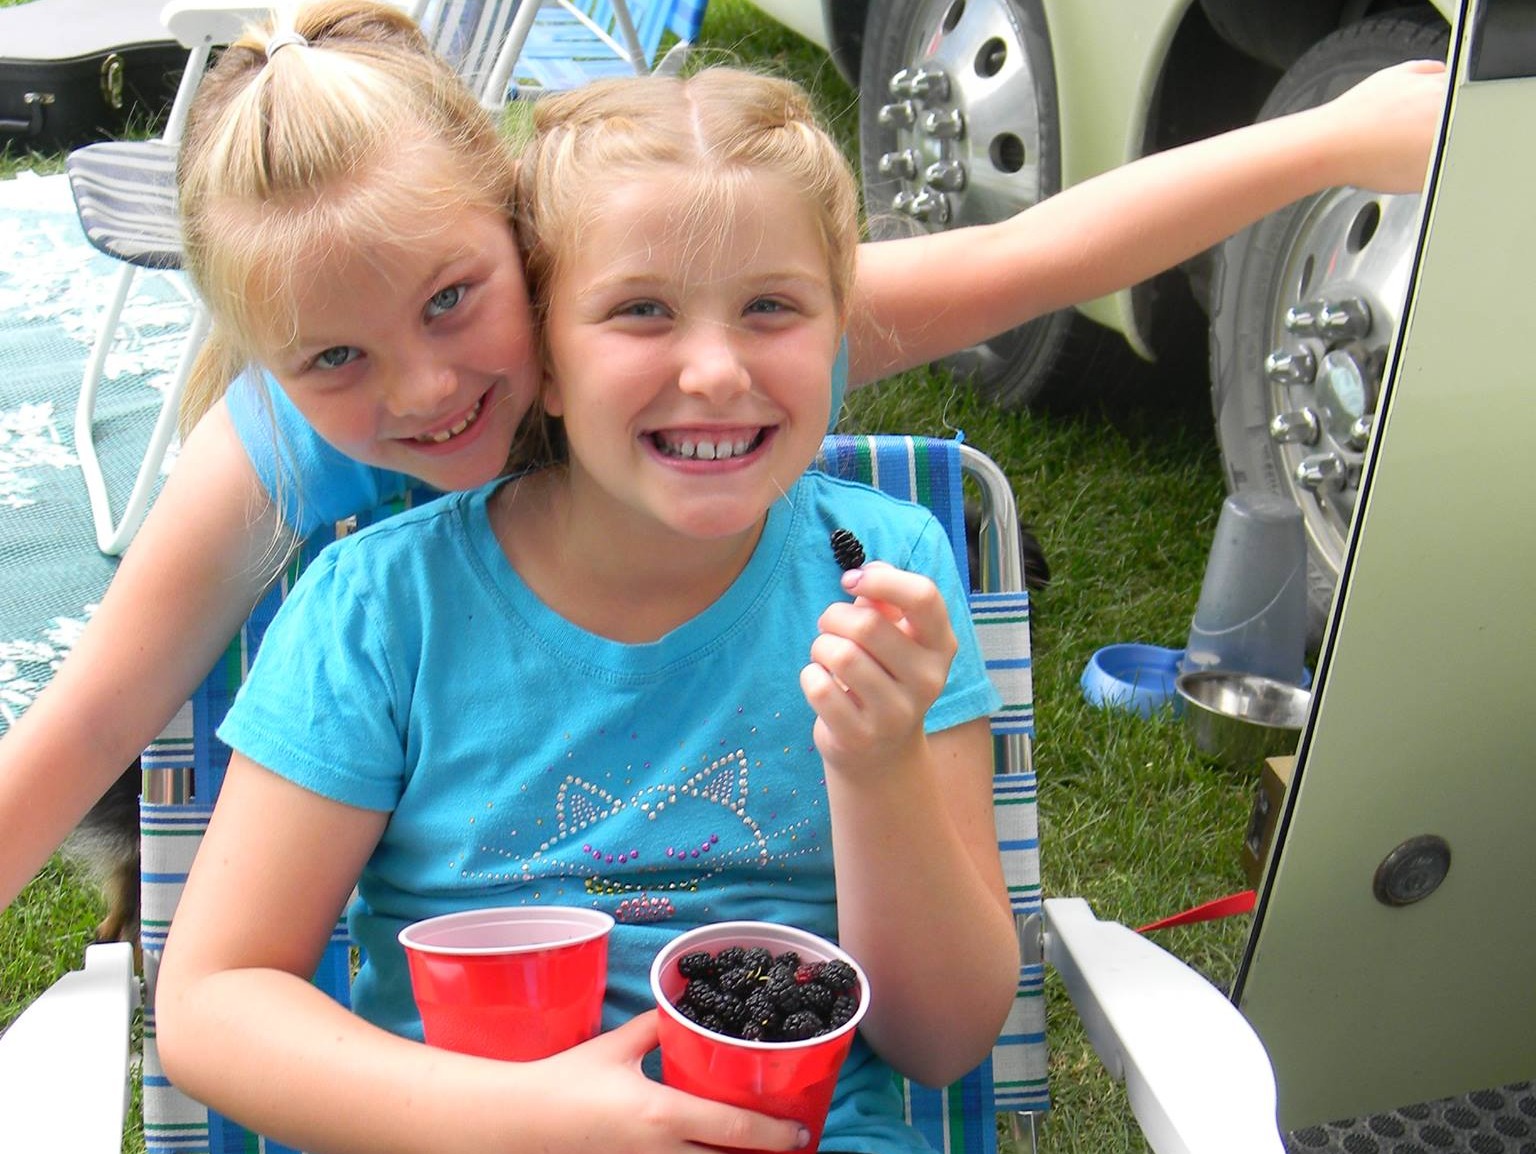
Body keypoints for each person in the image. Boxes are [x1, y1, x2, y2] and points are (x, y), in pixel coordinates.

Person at [0, 0, 1449, 916]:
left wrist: (1331, 134)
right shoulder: (267, 459)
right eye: (335, 357)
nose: (429, 387)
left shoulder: (661, 330)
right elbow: (70, 740)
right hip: (374, 787)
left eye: (454, 301)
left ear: (535, 250)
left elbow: (1025, 255)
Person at [155, 64, 1016, 1153]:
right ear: (545, 355)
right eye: (640, 310)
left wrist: (878, 763)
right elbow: (212, 997)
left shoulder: (888, 571)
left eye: (771, 306)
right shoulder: (384, 613)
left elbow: (942, 1039)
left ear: (838, 326)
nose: (713, 369)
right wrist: (527, 1120)